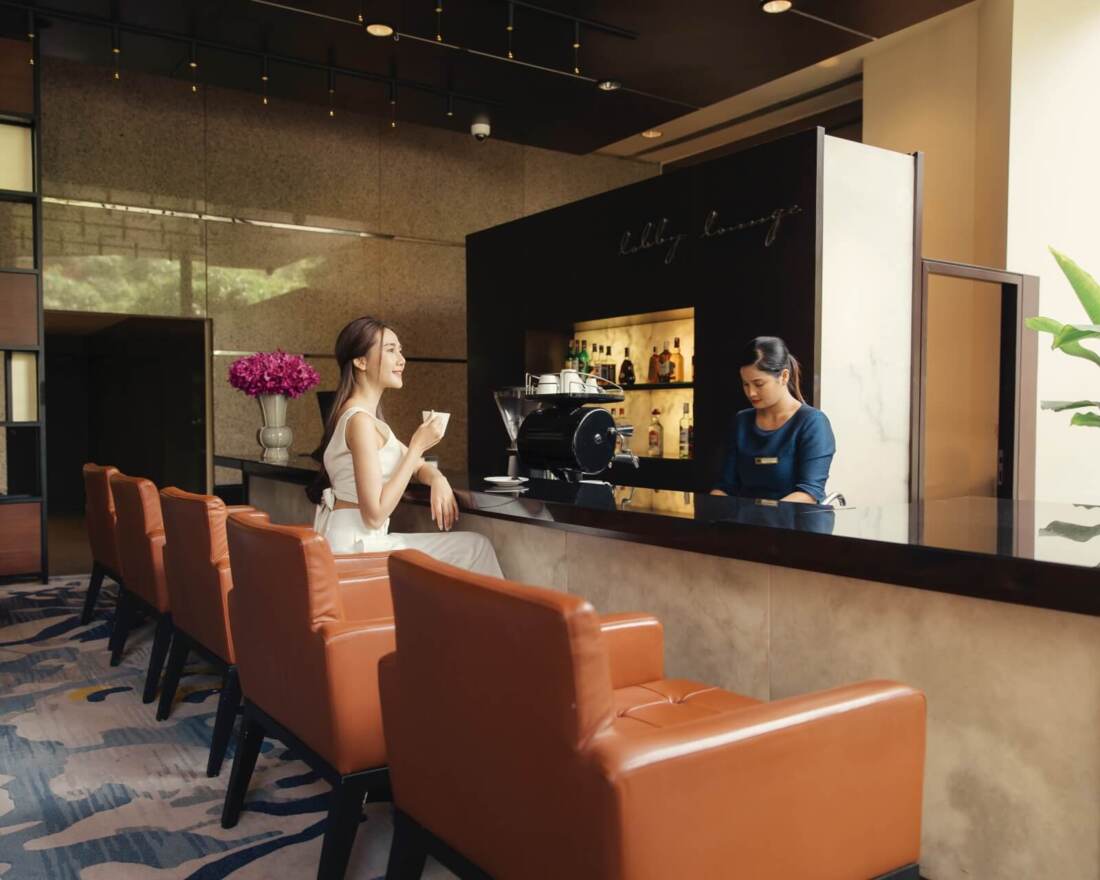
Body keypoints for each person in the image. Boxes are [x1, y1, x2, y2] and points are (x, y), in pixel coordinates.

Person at [307, 316, 502, 576]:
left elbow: (417, 466)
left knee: (473, 547)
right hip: (357, 550)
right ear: (361, 361)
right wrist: (417, 446)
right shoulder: (360, 422)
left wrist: (438, 478)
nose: (401, 360)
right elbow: (374, 515)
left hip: (356, 543)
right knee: (476, 547)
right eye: (390, 350)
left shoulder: (363, 418)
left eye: (400, 350)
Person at [712, 336, 835, 504]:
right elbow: (725, 487)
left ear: (784, 376)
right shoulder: (741, 422)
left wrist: (760, 515)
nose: (751, 393)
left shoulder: (813, 423)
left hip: (794, 519)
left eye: (759, 384)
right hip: (746, 519)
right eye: (746, 384)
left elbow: (809, 493)